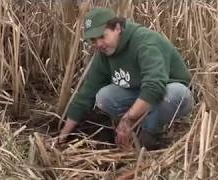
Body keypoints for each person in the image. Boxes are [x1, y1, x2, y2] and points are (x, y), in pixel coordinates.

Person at [58, 7, 194, 150]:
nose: (98, 44)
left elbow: (154, 86)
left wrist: (127, 119)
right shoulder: (104, 53)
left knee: (173, 93)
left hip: (171, 96)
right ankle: (133, 129)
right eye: (93, 40)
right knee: (104, 96)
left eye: (102, 36)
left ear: (117, 28)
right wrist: (62, 136)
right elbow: (87, 93)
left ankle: (150, 136)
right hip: (140, 94)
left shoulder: (145, 42)